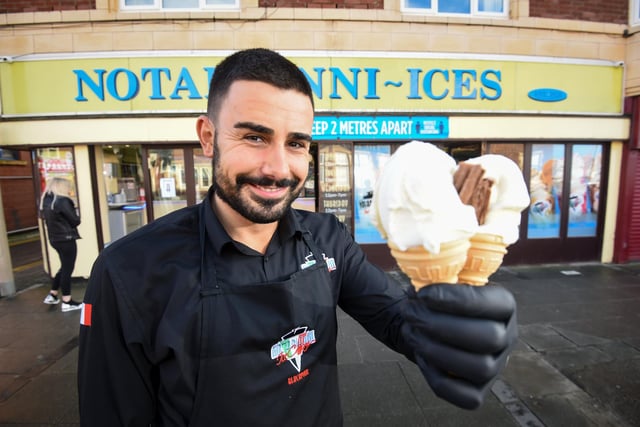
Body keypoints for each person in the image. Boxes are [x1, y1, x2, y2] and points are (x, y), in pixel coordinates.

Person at [78, 48, 517, 426]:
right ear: (208, 138)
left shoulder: (327, 238)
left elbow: (398, 318)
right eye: (254, 136)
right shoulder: (128, 270)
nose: (278, 168)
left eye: (296, 143)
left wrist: (455, 332)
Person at [40, 177, 83, 312]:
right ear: (61, 187)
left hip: (55, 239)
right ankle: (67, 300)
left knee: (64, 266)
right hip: (67, 239)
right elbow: (75, 221)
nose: (69, 189)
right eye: (68, 187)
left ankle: (53, 294)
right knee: (67, 269)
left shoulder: (46, 201)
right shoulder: (63, 201)